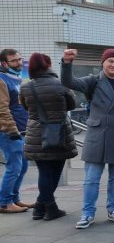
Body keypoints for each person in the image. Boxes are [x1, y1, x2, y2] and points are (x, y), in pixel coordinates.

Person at [61, 48, 114, 229]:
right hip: (97, 135)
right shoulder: (93, 80)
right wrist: (67, 63)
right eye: (111, 61)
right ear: (103, 63)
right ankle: (88, 213)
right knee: (91, 178)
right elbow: (68, 81)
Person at [19, 53, 78, 220]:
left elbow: (25, 107)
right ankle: (50, 208)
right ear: (49, 65)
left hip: (36, 134)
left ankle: (40, 207)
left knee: (44, 171)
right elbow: (72, 104)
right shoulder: (61, 84)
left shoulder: (26, 87)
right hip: (59, 133)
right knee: (55, 171)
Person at [0, 48, 32, 214]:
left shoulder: (16, 78)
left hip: (21, 130)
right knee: (14, 167)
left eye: (20, 59)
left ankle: (14, 199)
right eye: (14, 61)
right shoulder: (1, 80)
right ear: (4, 63)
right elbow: (2, 108)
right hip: (8, 131)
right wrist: (12, 130)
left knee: (23, 166)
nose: (19, 63)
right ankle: (4, 203)